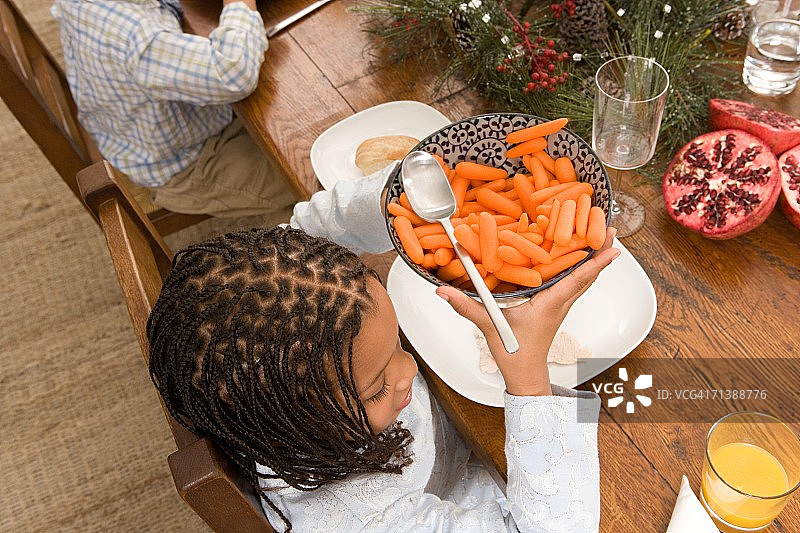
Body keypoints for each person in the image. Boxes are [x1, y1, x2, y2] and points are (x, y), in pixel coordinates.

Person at [147, 213, 620, 531]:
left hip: (459, 431)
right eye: (376, 388)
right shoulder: (356, 520)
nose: (408, 369)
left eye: (397, 345)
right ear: (291, 430)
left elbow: (310, 221)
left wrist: (402, 199)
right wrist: (529, 380)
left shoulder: (285, 285)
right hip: (475, 493)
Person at [51, 0, 295, 219]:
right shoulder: (136, 37)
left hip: (132, 133)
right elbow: (233, 75)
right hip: (188, 168)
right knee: (315, 177)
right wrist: (239, 4)